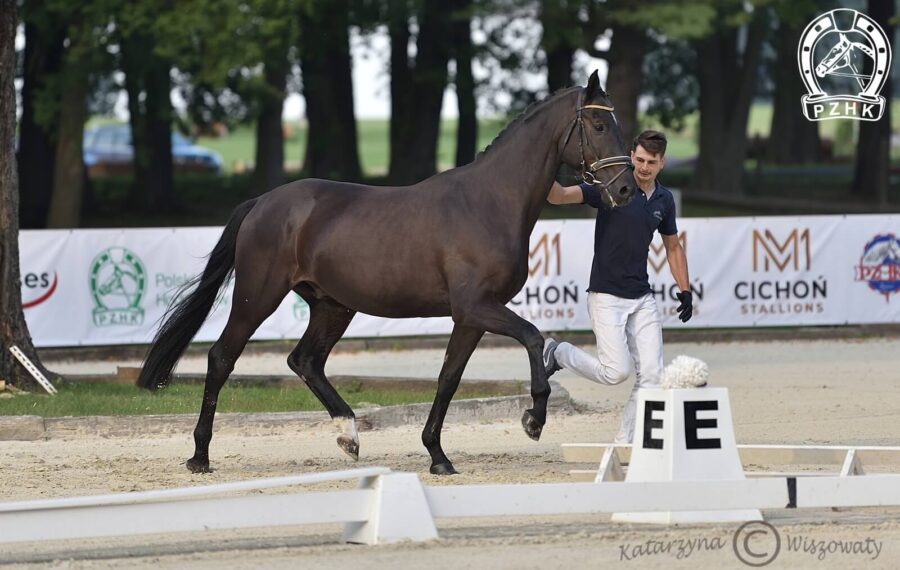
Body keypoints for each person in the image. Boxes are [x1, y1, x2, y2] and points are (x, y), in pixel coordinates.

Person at [543, 130, 692, 444]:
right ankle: (559, 353)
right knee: (616, 373)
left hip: (642, 297)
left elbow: (673, 247)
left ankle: (627, 444)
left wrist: (685, 290)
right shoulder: (611, 186)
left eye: (651, 161)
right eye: (639, 159)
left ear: (662, 162)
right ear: (631, 155)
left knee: (652, 376)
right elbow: (558, 196)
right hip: (606, 296)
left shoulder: (663, 200)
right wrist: (547, 164)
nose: (644, 167)